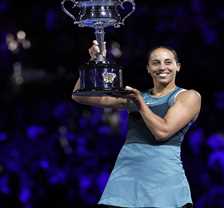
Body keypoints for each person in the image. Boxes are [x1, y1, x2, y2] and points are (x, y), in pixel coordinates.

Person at [72, 40, 201, 208]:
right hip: (124, 181)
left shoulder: (188, 96)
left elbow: (162, 131)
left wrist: (139, 103)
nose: (162, 67)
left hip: (164, 185)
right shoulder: (137, 96)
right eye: (156, 63)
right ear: (148, 68)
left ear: (178, 67)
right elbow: (80, 96)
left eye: (168, 62)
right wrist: (94, 62)